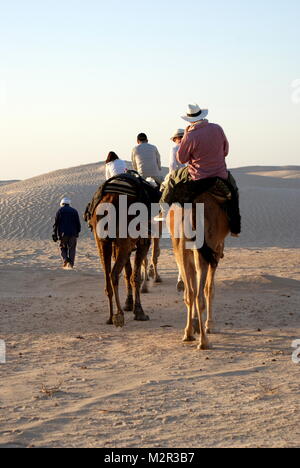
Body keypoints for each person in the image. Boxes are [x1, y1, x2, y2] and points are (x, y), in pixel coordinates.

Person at [160, 103, 241, 236]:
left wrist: (187, 137)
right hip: (220, 174)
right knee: (234, 190)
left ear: (189, 120)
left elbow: (182, 159)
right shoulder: (217, 128)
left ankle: (163, 212)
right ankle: (235, 228)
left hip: (197, 176)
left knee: (171, 180)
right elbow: (225, 151)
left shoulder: (190, 135)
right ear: (202, 116)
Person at [52, 198, 81, 269]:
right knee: (72, 249)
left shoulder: (60, 211)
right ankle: (71, 264)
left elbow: (56, 224)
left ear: (62, 203)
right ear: (69, 203)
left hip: (63, 234)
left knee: (63, 248)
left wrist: (54, 234)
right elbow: (78, 224)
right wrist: (77, 232)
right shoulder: (74, 211)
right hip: (73, 234)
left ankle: (65, 260)